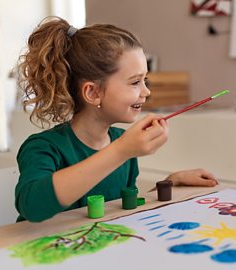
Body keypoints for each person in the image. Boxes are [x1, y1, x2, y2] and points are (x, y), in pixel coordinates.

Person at [15, 16, 218, 223]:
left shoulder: (122, 144)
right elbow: (32, 206)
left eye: (144, 80)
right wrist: (121, 150)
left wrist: (171, 182)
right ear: (93, 93)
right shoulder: (43, 148)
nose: (146, 91)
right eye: (135, 82)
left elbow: (120, 208)